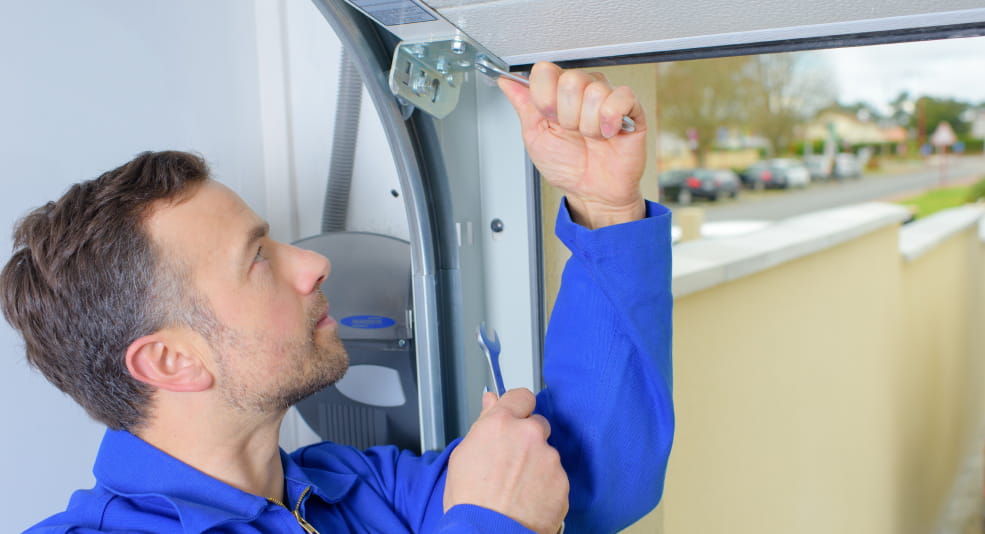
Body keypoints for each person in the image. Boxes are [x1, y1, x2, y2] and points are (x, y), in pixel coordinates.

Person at [1, 61, 673, 534]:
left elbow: (593, 483)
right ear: (172, 360)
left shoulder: (355, 490)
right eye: (257, 258)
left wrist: (602, 205)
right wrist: (488, 524)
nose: (314, 263)